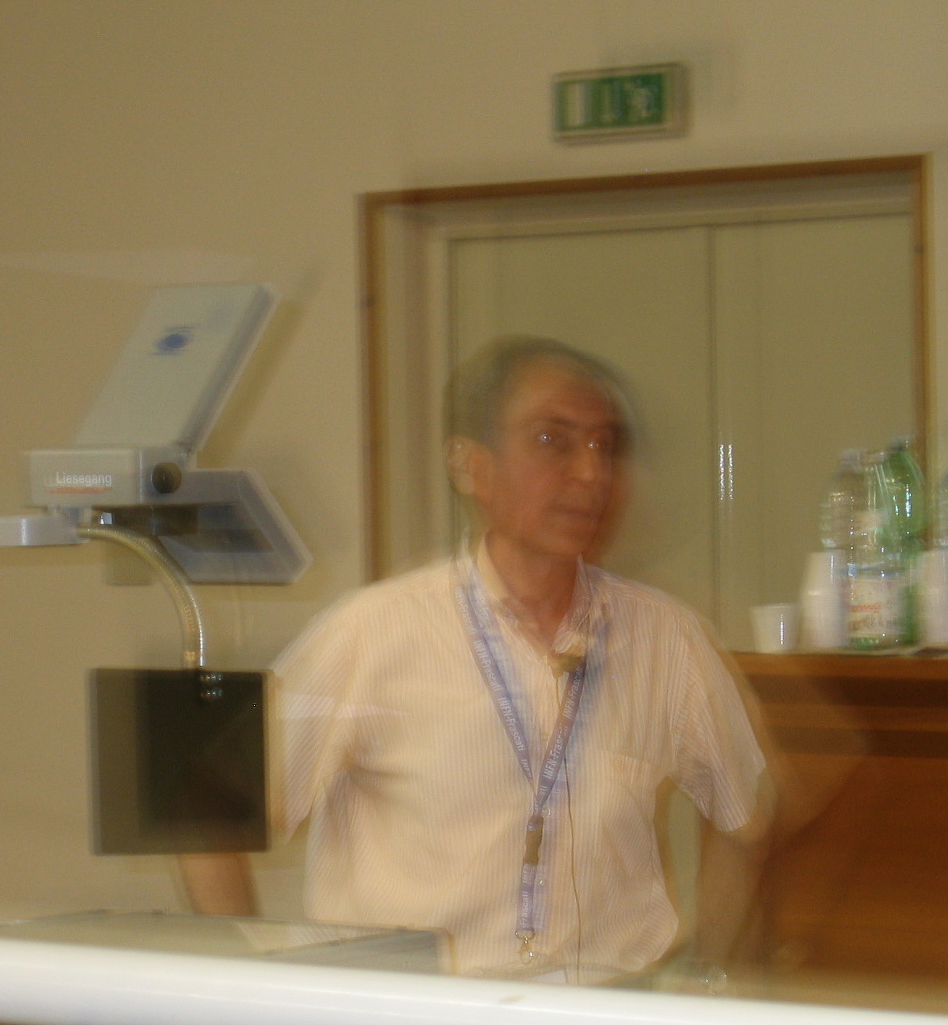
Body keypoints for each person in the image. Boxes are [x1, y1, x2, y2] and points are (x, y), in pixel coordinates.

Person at [182, 337, 774, 982]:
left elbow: (744, 818)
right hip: (423, 1022)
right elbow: (208, 820)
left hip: (607, 1020)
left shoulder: (668, 639)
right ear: (471, 467)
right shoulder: (371, 635)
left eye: (605, 446)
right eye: (553, 441)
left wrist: (705, 978)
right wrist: (242, 992)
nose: (591, 474)